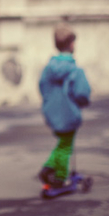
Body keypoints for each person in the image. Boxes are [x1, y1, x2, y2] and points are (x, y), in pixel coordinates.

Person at [37, 22, 91, 188]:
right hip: (69, 114)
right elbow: (82, 93)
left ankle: (48, 167)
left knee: (62, 143)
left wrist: (50, 104)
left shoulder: (48, 69)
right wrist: (81, 103)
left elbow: (42, 87)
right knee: (66, 146)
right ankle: (60, 178)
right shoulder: (76, 70)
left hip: (52, 113)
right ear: (72, 44)